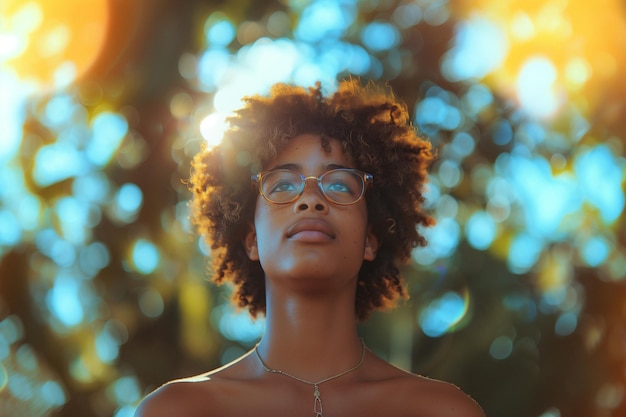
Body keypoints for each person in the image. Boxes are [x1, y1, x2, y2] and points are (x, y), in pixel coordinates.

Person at [135, 79, 485, 417]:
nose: (311, 199)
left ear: (370, 240)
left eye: (340, 185)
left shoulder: (441, 412)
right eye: (284, 184)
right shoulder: (177, 411)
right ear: (252, 239)